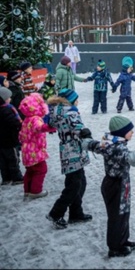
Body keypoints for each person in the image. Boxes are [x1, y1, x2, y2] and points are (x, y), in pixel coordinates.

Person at [82, 116, 135, 258]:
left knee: (124, 213)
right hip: (115, 185)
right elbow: (128, 156)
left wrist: (86, 139)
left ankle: (123, 241)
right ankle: (114, 248)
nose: (132, 132)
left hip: (119, 184)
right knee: (116, 216)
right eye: (130, 130)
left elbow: (92, 145)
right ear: (121, 132)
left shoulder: (107, 143)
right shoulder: (116, 147)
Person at [46, 88, 93, 230]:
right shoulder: (70, 112)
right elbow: (77, 127)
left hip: (66, 150)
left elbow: (53, 124)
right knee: (74, 185)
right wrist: (86, 134)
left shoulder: (56, 110)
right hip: (73, 150)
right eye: (76, 98)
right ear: (71, 100)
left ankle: (76, 212)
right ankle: (56, 213)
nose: (78, 101)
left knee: (79, 181)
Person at [19, 93, 56, 199]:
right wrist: (50, 127)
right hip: (35, 150)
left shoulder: (26, 119)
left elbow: (22, 134)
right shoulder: (35, 118)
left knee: (30, 170)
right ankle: (35, 191)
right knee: (41, 169)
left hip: (27, 150)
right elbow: (39, 128)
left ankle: (27, 190)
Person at [0, 86, 23, 186]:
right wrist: (19, 126)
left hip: (1, 142)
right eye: (9, 97)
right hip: (10, 140)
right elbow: (14, 123)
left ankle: (6, 178)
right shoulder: (7, 110)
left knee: (3, 161)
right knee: (13, 159)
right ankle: (17, 177)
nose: (10, 99)